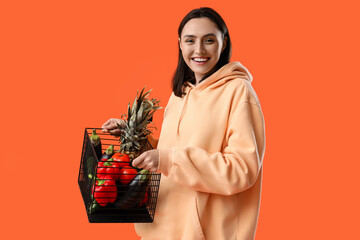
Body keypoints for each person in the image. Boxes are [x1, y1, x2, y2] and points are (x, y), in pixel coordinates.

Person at [102, 7, 266, 240]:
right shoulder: (181, 93)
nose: (199, 50)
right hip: (160, 230)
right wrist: (133, 137)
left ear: (223, 41)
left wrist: (169, 160)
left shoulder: (239, 91)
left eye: (209, 40)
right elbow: (167, 154)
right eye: (190, 40)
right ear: (180, 43)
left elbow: (242, 169)